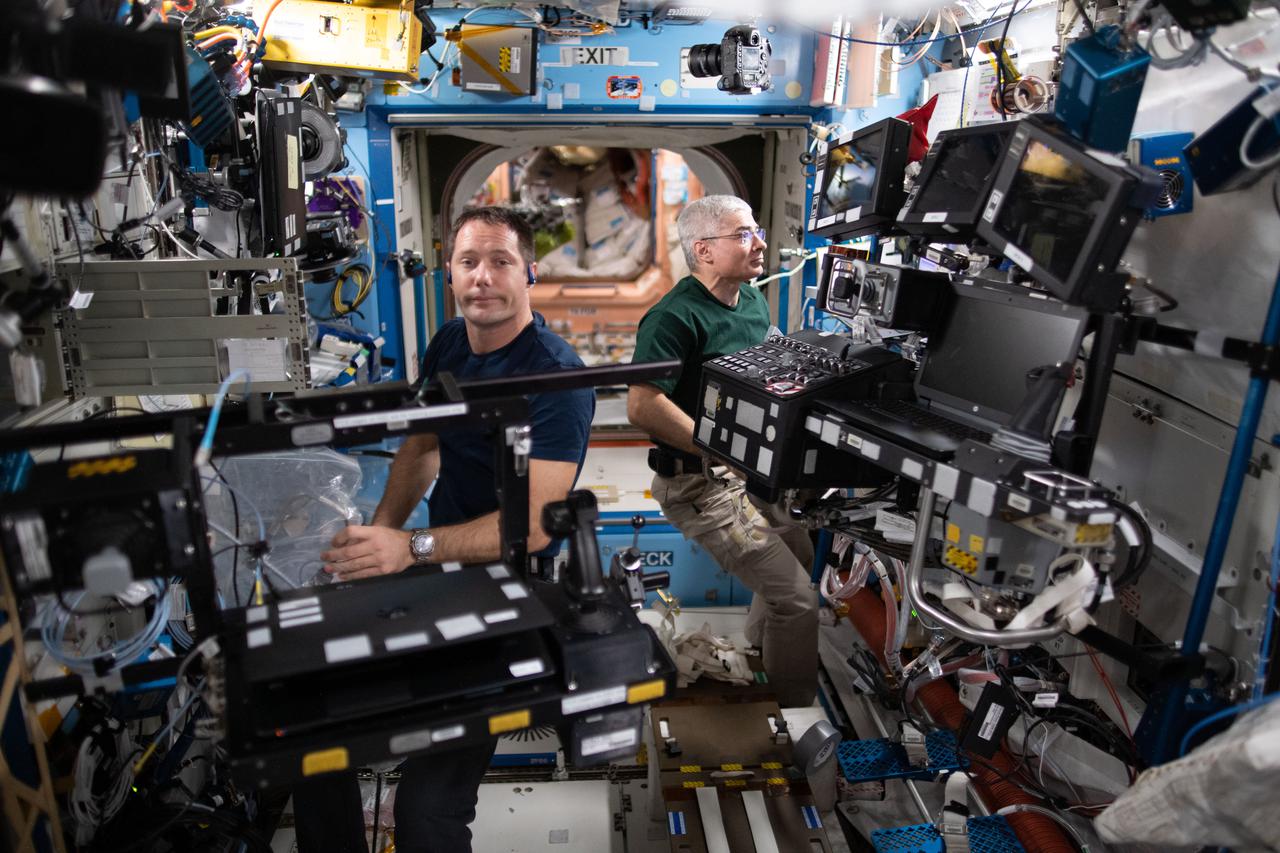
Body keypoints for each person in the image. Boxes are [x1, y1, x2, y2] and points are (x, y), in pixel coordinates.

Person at [291, 206, 595, 853]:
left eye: (500, 261)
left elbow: (538, 525)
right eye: (468, 262)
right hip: (429, 573)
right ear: (449, 273)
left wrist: (411, 547)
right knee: (312, 750)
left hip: (510, 592)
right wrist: (375, 545)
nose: (482, 277)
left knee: (427, 807)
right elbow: (423, 444)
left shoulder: (557, 377)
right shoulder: (450, 342)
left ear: (529, 272)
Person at [626, 194, 818, 707]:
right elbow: (643, 405)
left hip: (749, 474)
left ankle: (760, 658)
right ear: (704, 250)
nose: (759, 243)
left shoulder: (752, 299)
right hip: (698, 484)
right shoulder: (673, 317)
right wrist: (718, 448)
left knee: (798, 557)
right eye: (743, 234)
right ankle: (792, 711)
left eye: (755, 230)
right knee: (798, 599)